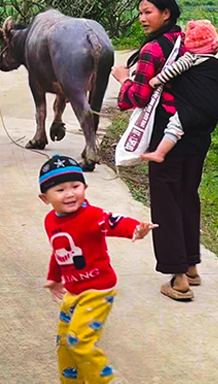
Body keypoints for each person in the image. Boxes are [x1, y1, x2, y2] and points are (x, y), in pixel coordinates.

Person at [111, 0, 218, 302]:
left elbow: (138, 96)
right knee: (188, 195)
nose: (142, 18)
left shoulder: (153, 50)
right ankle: (191, 267)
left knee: (166, 201)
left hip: (168, 135)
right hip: (197, 134)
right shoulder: (186, 43)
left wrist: (123, 78)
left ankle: (177, 280)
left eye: (148, 11)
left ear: (166, 14)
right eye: (140, 12)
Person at [39, 154, 157, 384]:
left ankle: (100, 379)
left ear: (85, 187)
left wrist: (136, 229)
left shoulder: (91, 216)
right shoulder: (51, 222)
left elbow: (114, 222)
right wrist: (54, 278)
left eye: (76, 186)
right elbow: (58, 252)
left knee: (78, 340)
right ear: (45, 198)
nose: (70, 193)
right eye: (60, 190)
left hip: (98, 290)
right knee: (64, 343)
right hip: (73, 291)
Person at [141, 19, 218, 163]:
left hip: (193, 110)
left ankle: (159, 152)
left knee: (175, 126)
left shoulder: (190, 58)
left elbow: (173, 70)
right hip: (210, 112)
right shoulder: (215, 64)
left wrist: (157, 80)